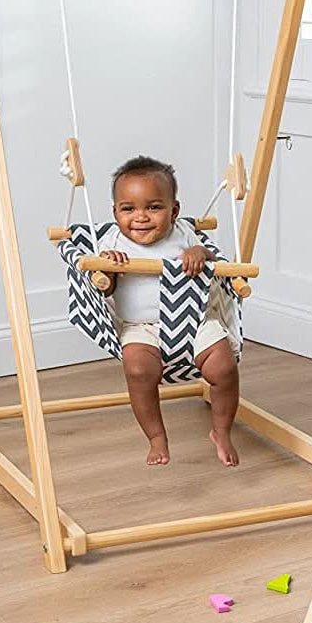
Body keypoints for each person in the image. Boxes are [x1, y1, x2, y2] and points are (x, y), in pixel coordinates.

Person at [98, 156, 239, 467]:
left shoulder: (183, 233)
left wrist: (199, 253)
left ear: (174, 211)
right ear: (115, 213)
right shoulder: (112, 242)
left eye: (153, 207)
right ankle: (156, 437)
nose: (141, 217)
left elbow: (210, 253)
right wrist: (107, 269)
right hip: (140, 327)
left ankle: (221, 431)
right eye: (128, 209)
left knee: (224, 367)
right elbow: (103, 290)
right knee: (137, 371)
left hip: (193, 321)